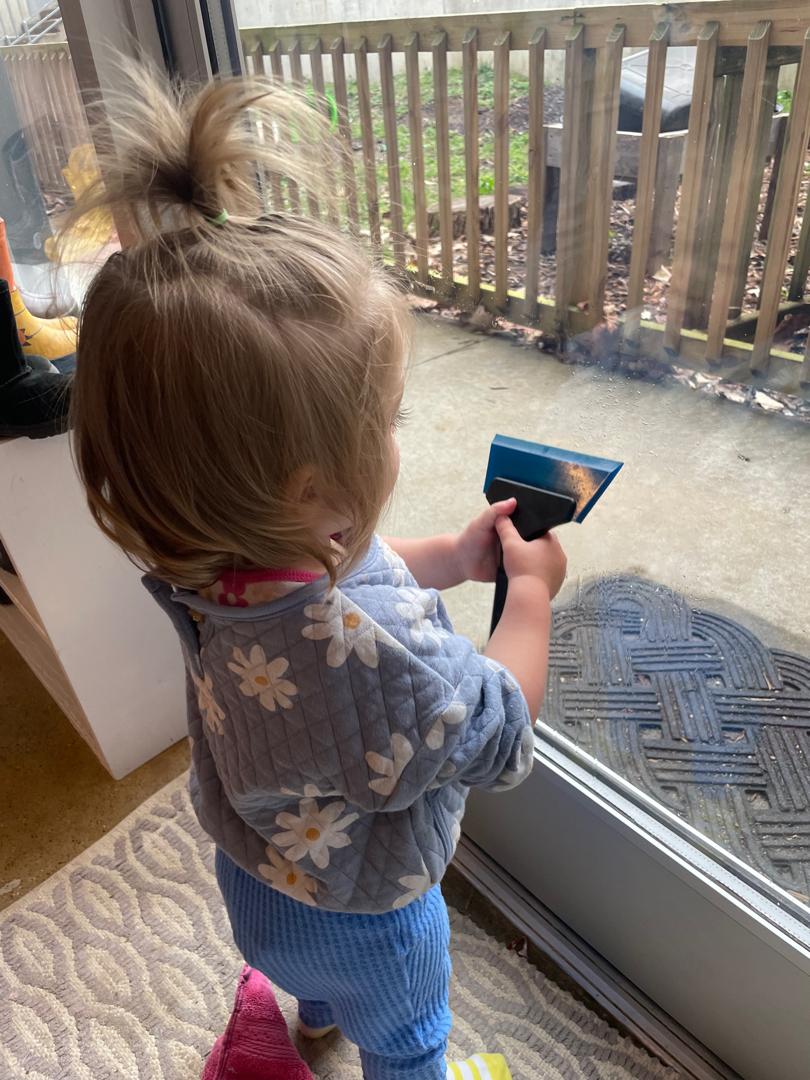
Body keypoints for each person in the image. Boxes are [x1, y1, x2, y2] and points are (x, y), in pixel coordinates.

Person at [67, 65, 567, 1080]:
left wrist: (455, 558)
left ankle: (311, 1021)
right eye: (386, 420)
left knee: (314, 976)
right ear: (310, 491)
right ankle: (366, 1039)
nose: (391, 434)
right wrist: (535, 599)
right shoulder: (395, 671)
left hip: (256, 881)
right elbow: (500, 722)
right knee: (412, 1039)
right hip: (371, 920)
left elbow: (353, 578)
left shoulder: (204, 556)